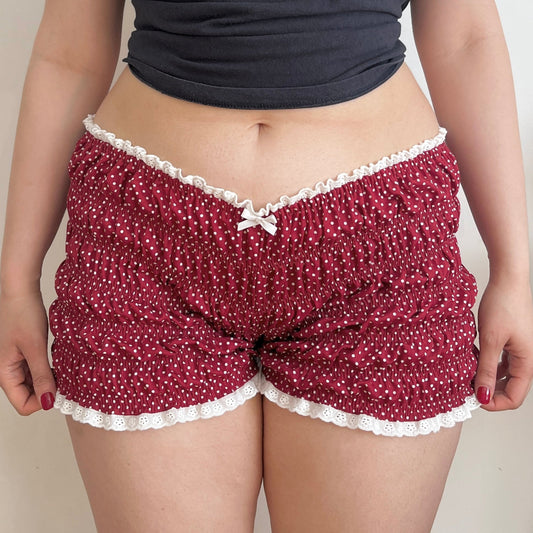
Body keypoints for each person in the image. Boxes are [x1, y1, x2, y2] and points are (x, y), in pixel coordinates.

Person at [1, 0, 532, 531]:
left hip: (379, 251)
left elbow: (466, 41)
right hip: (145, 243)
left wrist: (513, 270)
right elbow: (68, 53)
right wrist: (16, 281)